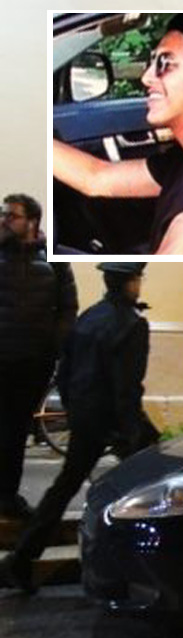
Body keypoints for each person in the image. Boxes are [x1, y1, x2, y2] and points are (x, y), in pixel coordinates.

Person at [1, 263, 157, 592]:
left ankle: (20, 560)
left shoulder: (89, 317)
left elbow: (65, 373)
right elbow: (126, 388)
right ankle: (134, 568)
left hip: (86, 416)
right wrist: (132, 434)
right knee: (152, 490)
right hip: (112, 420)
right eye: (138, 279)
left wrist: (75, 410)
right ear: (131, 283)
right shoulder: (131, 326)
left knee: (64, 488)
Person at [52, 14, 183, 255]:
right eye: (152, 62)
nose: (146, 77)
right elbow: (97, 178)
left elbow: (164, 281)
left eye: (165, 64)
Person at [0, 195, 78, 520]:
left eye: (11, 215)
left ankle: (6, 497)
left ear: (32, 221)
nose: (4, 219)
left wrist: (54, 347)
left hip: (32, 362)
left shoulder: (55, 261)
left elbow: (67, 308)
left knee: (15, 433)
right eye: (2, 213)